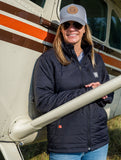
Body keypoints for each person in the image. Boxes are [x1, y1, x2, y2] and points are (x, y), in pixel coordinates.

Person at [33, 3, 114, 160]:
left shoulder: (96, 58)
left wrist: (102, 92)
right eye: (66, 25)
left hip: (98, 142)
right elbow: (43, 102)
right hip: (65, 145)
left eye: (77, 24)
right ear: (61, 29)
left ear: (84, 29)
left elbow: (109, 93)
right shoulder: (47, 60)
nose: (72, 29)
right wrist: (86, 93)